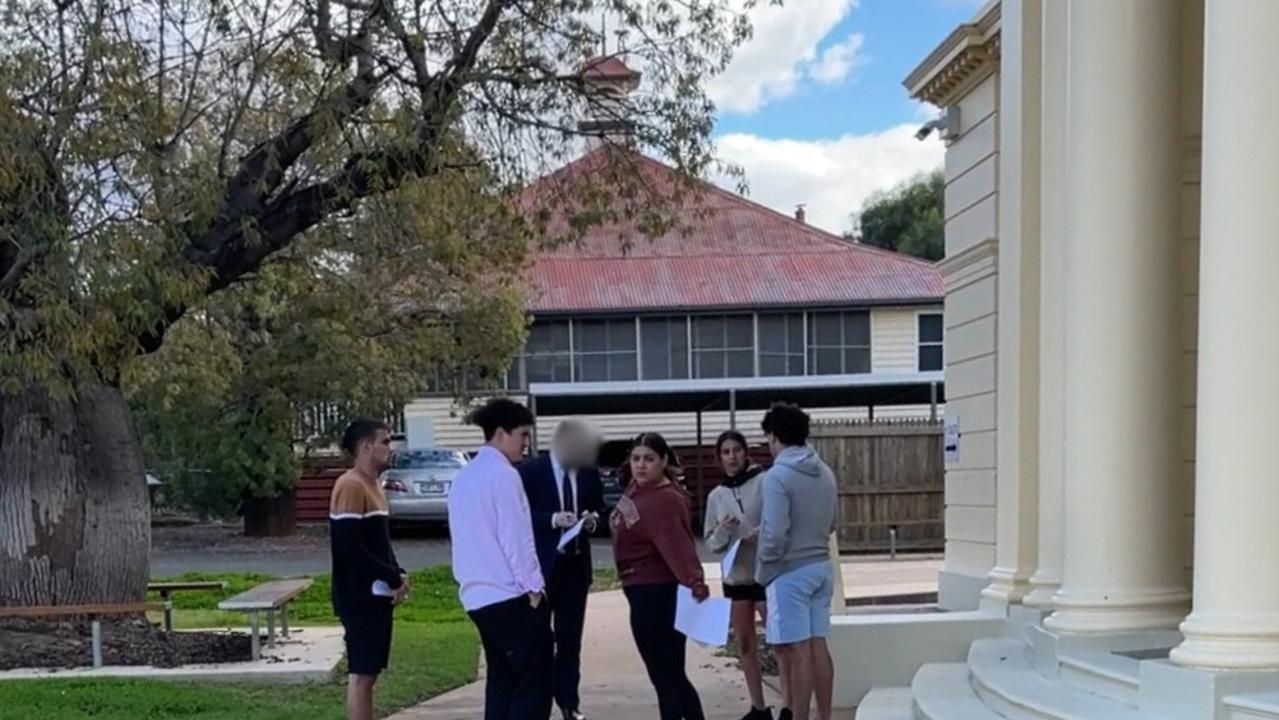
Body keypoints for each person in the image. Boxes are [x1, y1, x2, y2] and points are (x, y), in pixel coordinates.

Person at [448, 398, 552, 720]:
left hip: (478, 597)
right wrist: (534, 589)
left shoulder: (463, 478)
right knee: (531, 688)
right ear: (500, 434)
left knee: (502, 683)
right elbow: (517, 541)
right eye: (522, 435)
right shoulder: (504, 477)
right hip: (511, 596)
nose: (527, 444)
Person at [610, 432, 710, 720]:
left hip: (656, 594)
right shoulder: (639, 488)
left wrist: (696, 582)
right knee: (666, 675)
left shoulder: (663, 500)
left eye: (649, 459)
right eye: (636, 458)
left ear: (664, 461)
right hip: (641, 591)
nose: (641, 466)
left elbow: (679, 546)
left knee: (668, 676)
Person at [519, 419, 606, 720]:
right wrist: (552, 519)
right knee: (541, 640)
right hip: (543, 567)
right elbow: (520, 515)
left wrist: (592, 520)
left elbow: (599, 509)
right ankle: (538, 702)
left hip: (575, 565)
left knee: (570, 639)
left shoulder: (587, 473)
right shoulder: (531, 472)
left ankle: (569, 702)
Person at [756, 403, 838, 720]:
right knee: (818, 645)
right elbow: (833, 522)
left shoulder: (777, 475)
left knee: (796, 650)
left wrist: (764, 567)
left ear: (774, 437)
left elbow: (775, 534)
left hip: (788, 572)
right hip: (821, 566)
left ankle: (799, 716)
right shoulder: (826, 472)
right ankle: (825, 715)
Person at [330, 419, 409, 720]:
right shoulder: (350, 484)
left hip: (377, 594)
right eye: (385, 442)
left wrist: (398, 573)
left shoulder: (374, 484)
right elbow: (348, 548)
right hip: (358, 596)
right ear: (366, 447)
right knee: (361, 677)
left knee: (370, 675)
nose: (391, 448)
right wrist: (390, 576)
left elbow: (379, 543)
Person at [704, 430, 774, 720]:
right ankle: (758, 706)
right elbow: (711, 542)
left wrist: (755, 533)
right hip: (736, 576)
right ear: (720, 458)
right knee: (745, 643)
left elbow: (779, 521)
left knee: (782, 641)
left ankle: (793, 705)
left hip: (765, 573)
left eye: (736, 450)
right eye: (726, 452)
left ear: (746, 453)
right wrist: (724, 530)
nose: (732, 456)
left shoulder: (765, 482)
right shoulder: (716, 496)